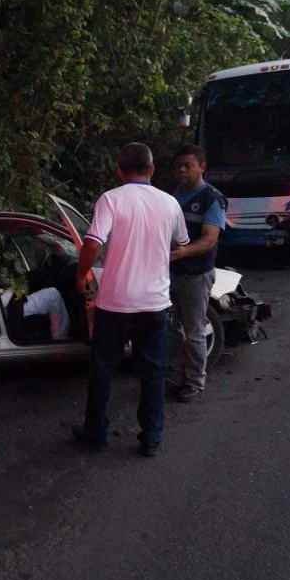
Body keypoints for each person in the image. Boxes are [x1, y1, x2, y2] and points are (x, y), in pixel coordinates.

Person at [72, 142, 189, 457]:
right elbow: (181, 244)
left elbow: (93, 243)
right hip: (155, 303)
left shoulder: (111, 199)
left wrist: (82, 273)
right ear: (151, 169)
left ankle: (95, 433)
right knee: (152, 372)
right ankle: (151, 437)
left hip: (115, 303)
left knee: (102, 369)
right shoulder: (170, 203)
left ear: (119, 170)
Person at [168, 144, 228, 403]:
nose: (182, 170)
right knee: (175, 329)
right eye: (178, 166)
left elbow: (209, 239)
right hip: (171, 272)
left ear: (202, 167)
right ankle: (179, 377)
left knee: (194, 331)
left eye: (187, 165)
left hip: (195, 275)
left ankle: (194, 383)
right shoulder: (175, 195)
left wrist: (183, 253)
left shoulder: (211, 198)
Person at [0, 285, 72, 341]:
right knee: (53, 294)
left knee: (53, 294)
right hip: (7, 308)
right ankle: (59, 338)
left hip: (8, 303)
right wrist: (12, 290)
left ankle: (60, 335)